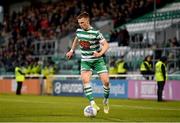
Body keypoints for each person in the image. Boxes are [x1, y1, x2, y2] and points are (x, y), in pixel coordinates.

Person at [66, 12, 110, 114]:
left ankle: (106, 100)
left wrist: (100, 54)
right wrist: (71, 50)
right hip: (85, 61)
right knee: (85, 80)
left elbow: (106, 45)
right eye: (79, 23)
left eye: (82, 22)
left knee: (106, 82)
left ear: (87, 21)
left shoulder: (96, 33)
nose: (81, 25)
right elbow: (77, 39)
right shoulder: (79, 31)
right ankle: (93, 103)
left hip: (97, 60)